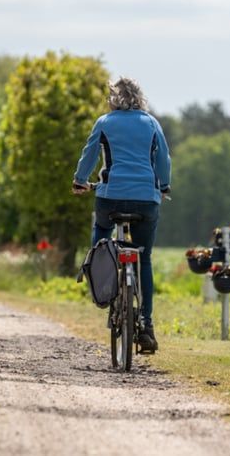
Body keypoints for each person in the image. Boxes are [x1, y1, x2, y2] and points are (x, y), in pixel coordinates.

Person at [72, 77, 171, 351]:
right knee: (145, 258)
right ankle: (147, 324)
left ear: (113, 99)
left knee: (102, 236)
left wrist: (80, 179)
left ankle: (102, 278)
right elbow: (164, 159)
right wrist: (163, 186)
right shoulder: (151, 123)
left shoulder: (104, 122)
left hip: (110, 197)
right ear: (140, 98)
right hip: (146, 201)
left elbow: (89, 154)